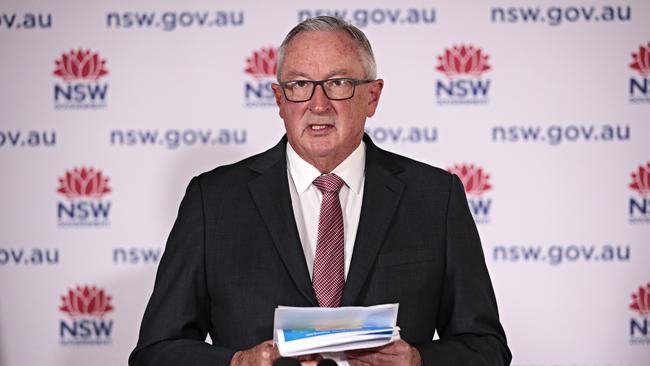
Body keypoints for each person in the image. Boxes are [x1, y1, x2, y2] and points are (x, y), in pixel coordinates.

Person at [129, 16, 511, 366]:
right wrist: (237, 363)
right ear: (280, 100)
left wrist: (418, 361)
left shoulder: (434, 197)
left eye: (338, 83)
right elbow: (155, 352)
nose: (318, 104)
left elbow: (486, 347)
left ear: (372, 96)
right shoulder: (213, 201)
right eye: (299, 85)